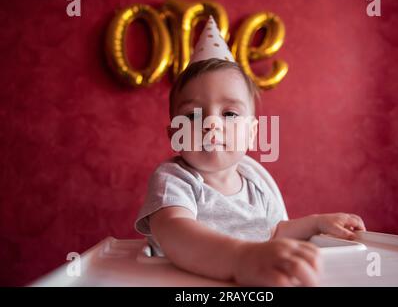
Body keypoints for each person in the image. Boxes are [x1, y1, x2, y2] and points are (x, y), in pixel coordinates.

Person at [135, 16, 366, 287]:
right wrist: (240, 259)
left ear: (252, 132)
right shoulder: (174, 179)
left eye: (230, 113)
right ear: (175, 134)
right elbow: (175, 233)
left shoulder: (255, 179)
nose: (211, 124)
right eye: (194, 115)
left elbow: (272, 231)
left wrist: (316, 224)